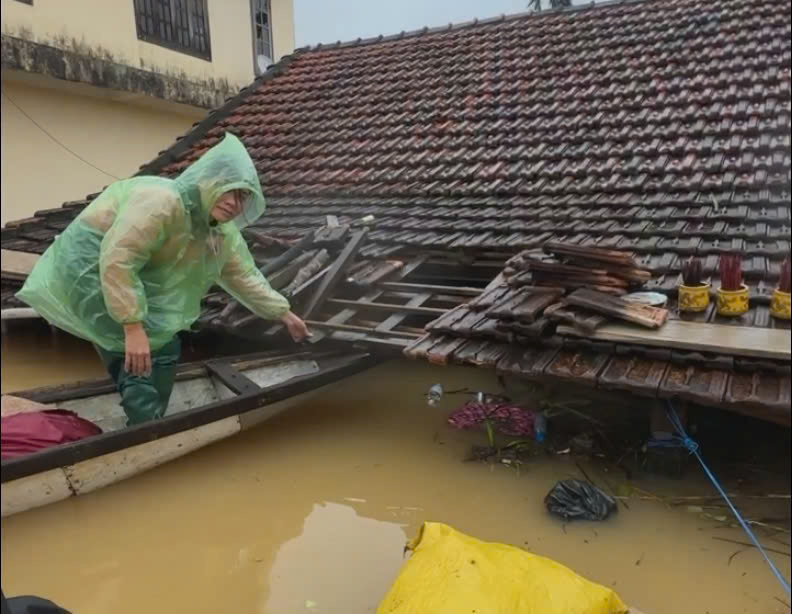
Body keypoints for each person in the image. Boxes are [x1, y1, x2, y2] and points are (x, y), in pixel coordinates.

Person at [17, 133, 310, 426]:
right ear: (208, 182)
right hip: (90, 269)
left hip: (134, 279)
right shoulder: (161, 202)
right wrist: (132, 327)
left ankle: (154, 422)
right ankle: (143, 426)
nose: (234, 203)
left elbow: (243, 275)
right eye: (229, 191)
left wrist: (283, 314)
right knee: (132, 353)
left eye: (243, 197)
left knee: (166, 345)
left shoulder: (218, 231)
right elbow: (119, 259)